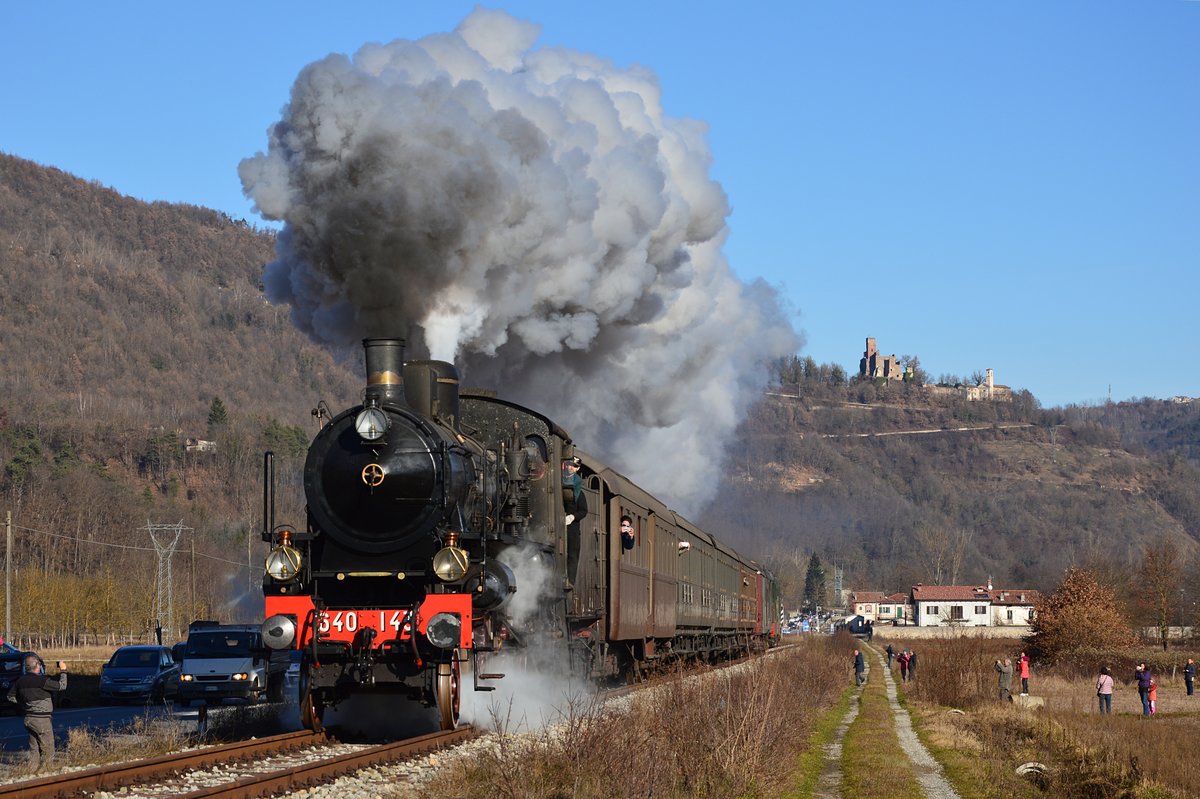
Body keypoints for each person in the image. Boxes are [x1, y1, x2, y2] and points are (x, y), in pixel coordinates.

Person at [6, 655, 68, 771]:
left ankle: (32, 771)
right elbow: (62, 686)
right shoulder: (42, 681)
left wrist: (25, 704)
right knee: (48, 748)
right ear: (37, 666)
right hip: (42, 719)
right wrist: (63, 670)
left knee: (34, 749)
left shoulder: (20, 681)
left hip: (29, 718)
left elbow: (10, 696)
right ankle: (48, 770)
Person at [561, 456, 587, 590]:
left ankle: (570, 581)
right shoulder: (558, 480)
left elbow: (584, 511)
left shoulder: (579, 492)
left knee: (572, 553)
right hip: (556, 522)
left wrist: (572, 517)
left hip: (571, 526)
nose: (571, 467)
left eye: (574, 466)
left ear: (578, 469)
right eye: (570, 465)